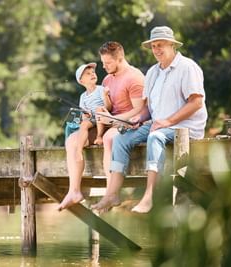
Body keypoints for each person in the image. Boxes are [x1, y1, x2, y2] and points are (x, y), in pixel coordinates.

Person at [92, 26, 208, 214]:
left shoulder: (188, 67)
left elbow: (196, 102)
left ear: (172, 45)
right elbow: (148, 108)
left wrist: (168, 121)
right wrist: (138, 119)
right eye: (153, 46)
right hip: (157, 123)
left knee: (155, 137)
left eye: (160, 45)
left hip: (183, 127)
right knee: (120, 139)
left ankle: (149, 196)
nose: (156, 49)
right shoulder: (153, 72)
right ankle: (112, 194)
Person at [58, 41, 145, 211]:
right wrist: (93, 116)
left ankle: (111, 193)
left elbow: (140, 110)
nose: (103, 67)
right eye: (103, 63)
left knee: (108, 138)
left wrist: (111, 119)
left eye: (108, 63)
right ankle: (74, 191)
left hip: (126, 124)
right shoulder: (106, 79)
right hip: (105, 122)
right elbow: (106, 106)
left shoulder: (134, 77)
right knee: (72, 141)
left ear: (120, 58)